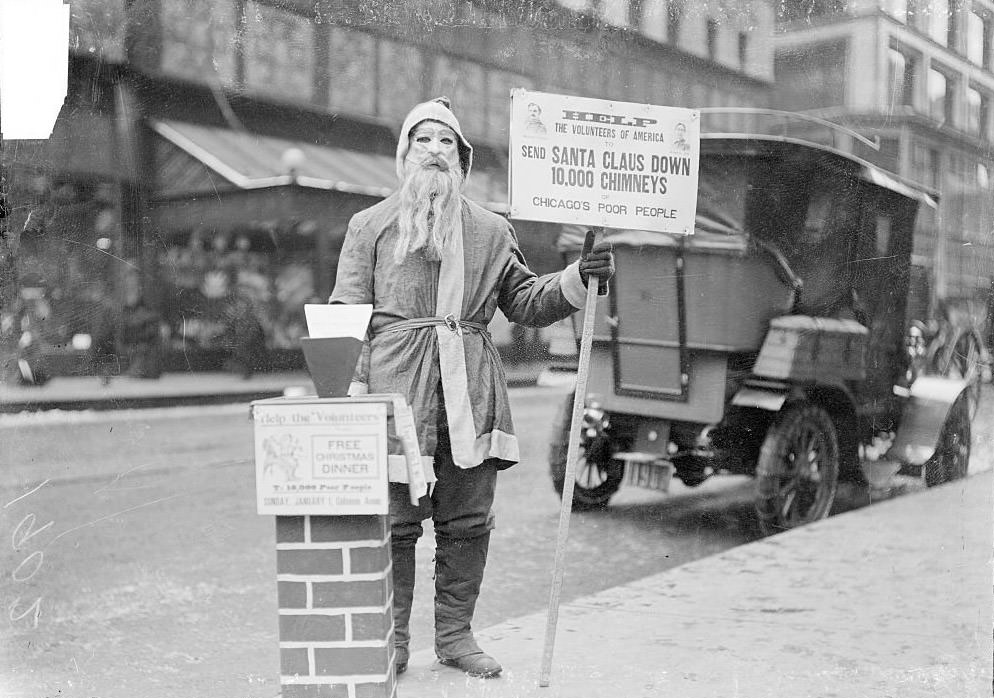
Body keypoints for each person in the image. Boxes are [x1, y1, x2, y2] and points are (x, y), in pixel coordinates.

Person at [329, 97, 613, 679]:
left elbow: (526, 301)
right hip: (393, 392)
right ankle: (393, 639)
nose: (434, 150)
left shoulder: (490, 229)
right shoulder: (370, 225)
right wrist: (336, 398)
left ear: (461, 159)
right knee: (395, 522)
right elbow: (343, 314)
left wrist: (576, 279)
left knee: (468, 521)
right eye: (422, 139)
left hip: (470, 393)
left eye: (445, 142)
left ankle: (456, 638)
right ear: (404, 154)